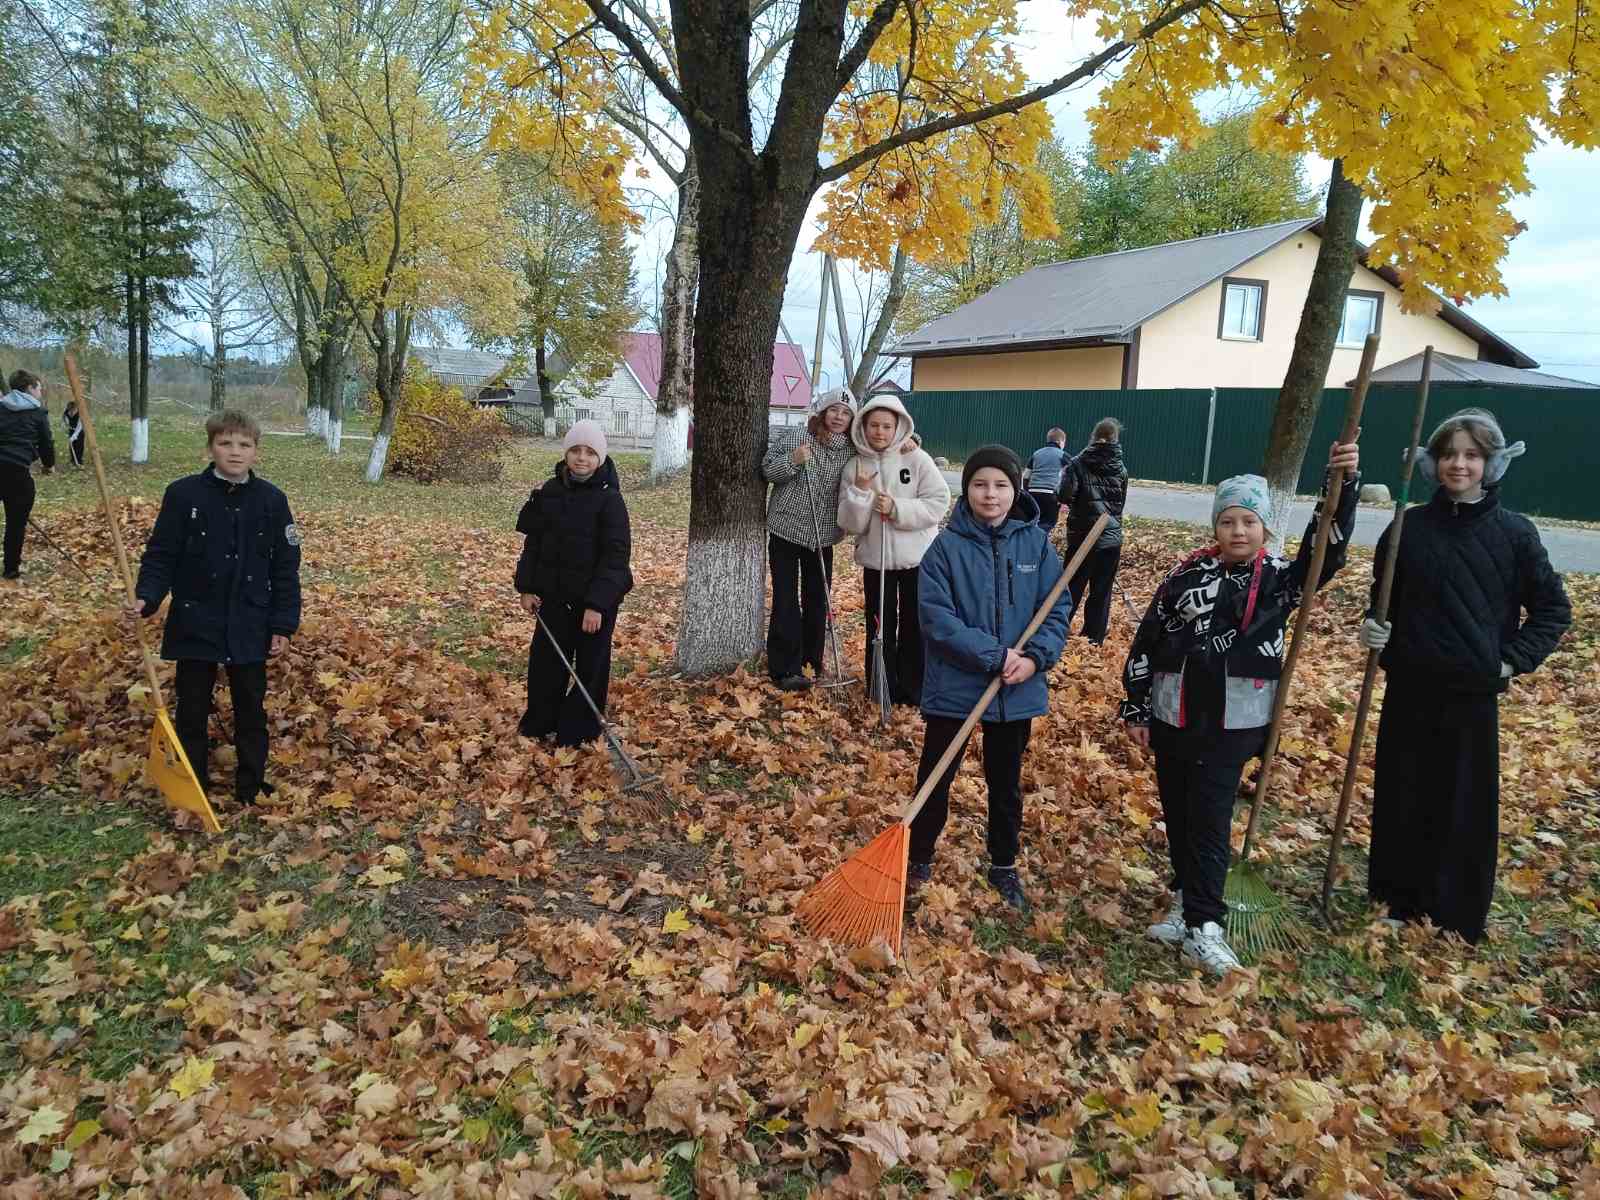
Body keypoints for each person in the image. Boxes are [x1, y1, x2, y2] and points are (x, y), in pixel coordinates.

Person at [1121, 441, 1360, 975]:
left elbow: (1329, 550)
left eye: (1249, 521)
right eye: (1227, 521)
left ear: (1265, 529)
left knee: (1209, 818)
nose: (1238, 531)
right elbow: (1148, 641)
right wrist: (1135, 707)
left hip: (1231, 723)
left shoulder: (1280, 581)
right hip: (1174, 714)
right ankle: (1186, 901)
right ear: (1215, 528)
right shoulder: (1185, 578)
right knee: (1180, 814)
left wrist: (1340, 490)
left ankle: (1207, 923)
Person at [1361, 409, 1570, 944]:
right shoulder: (1407, 528)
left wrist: (1509, 660)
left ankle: (1455, 909)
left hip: (1471, 695)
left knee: (1460, 803)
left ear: (1490, 464)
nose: (1460, 464)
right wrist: (1376, 632)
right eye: (1450, 454)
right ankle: (1398, 898)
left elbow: (1552, 611)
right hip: (1410, 685)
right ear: (1433, 462)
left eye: (1472, 455)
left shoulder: (1515, 535)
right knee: (1404, 793)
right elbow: (1382, 600)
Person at [909, 445, 1072, 913]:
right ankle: (918, 856)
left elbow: (1057, 608)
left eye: (1001, 485)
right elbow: (937, 619)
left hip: (1015, 688)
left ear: (1016, 488)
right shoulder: (945, 548)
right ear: (967, 490)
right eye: (980, 484)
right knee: (935, 777)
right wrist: (995, 655)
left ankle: (1003, 863)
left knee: (1005, 781)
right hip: (956, 686)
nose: (990, 494)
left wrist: (1035, 659)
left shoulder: (1036, 545)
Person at [127, 410, 301, 806]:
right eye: (225, 443)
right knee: (191, 708)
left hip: (250, 621)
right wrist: (147, 597)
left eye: (244, 445)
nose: (235, 452)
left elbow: (286, 568)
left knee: (250, 709)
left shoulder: (272, 501)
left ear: (257, 451)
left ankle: (251, 785)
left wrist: (282, 625)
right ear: (210, 448)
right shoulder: (183, 495)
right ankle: (193, 786)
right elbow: (161, 556)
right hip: (195, 618)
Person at [515, 419, 633, 746]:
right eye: (576, 451)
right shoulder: (549, 493)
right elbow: (534, 545)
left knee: (590, 669)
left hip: (594, 604)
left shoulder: (611, 500)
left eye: (590, 452)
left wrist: (597, 604)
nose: (582, 458)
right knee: (546, 663)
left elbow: (616, 556)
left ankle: (577, 731)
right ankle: (541, 721)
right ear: (567, 454)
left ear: (601, 458)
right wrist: (527, 587)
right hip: (553, 598)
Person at [837, 395, 951, 706]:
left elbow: (939, 502)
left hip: (917, 560)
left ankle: (913, 688)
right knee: (879, 625)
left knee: (914, 624)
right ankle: (880, 686)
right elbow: (850, 524)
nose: (880, 432)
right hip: (877, 561)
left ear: (898, 426)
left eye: (887, 426)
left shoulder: (917, 459)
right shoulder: (855, 465)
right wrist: (861, 493)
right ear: (863, 426)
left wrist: (898, 508)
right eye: (874, 425)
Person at [761, 389, 857, 691]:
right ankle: (784, 668)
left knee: (817, 599)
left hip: (822, 535)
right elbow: (767, 470)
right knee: (786, 598)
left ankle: (811, 659)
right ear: (822, 412)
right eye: (834, 410)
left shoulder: (854, 450)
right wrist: (793, 460)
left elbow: (886, 448)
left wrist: (911, 443)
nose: (838, 417)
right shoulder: (800, 437)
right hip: (786, 529)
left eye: (845, 412)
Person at [1059, 417, 1129, 643]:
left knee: (1071, 587)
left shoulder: (1078, 463)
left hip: (1083, 536)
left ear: (1093, 436)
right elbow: (1120, 503)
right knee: (1102, 591)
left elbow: (1065, 495)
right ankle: (1094, 637)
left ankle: (1058, 630)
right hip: (1111, 538)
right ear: (1115, 439)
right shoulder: (1121, 468)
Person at [0, 369, 56, 581]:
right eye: (39, 387)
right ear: (30, 388)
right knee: (16, 524)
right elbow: (46, 443)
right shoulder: (38, 413)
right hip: (17, 475)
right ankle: (10, 570)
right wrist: (49, 465)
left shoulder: (1, 407)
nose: (40, 391)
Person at [1024, 428, 1069, 533]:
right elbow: (1071, 476)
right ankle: (1040, 541)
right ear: (1061, 442)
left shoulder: (1036, 454)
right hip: (1051, 494)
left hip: (1033, 492)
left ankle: (1032, 538)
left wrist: (1027, 493)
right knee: (1049, 522)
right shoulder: (1063, 455)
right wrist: (1064, 498)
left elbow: (1026, 476)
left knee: (1034, 520)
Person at [62, 396, 85, 467]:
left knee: (79, 445)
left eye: (74, 411)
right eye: (70, 411)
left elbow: (79, 427)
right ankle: (73, 460)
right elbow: (64, 422)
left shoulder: (80, 414)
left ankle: (79, 461)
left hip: (79, 431)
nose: (72, 413)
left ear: (76, 409)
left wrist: (74, 436)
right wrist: (64, 429)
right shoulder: (66, 413)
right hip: (71, 430)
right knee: (72, 445)